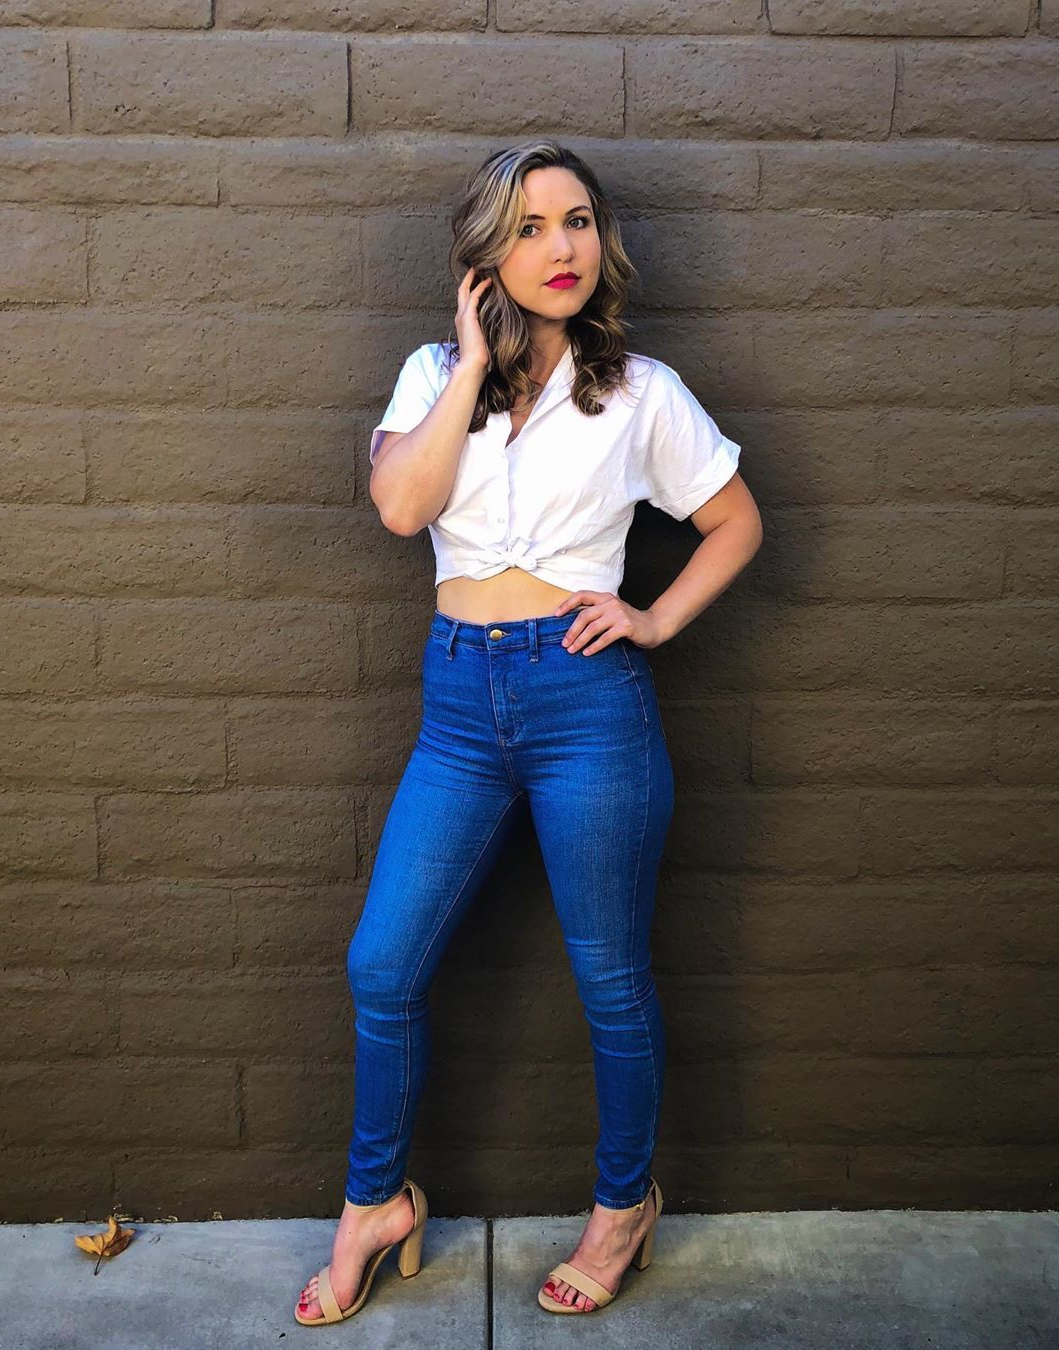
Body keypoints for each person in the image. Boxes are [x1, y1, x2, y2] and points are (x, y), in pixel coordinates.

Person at [295, 140, 763, 1326]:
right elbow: (403, 507)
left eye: (579, 221)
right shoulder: (428, 374)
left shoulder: (640, 391)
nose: (562, 247)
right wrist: (471, 364)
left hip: (585, 703)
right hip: (458, 707)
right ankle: (373, 1205)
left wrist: (654, 617)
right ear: (485, 255)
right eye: (530, 227)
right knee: (382, 966)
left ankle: (622, 1206)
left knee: (610, 978)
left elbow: (736, 522)